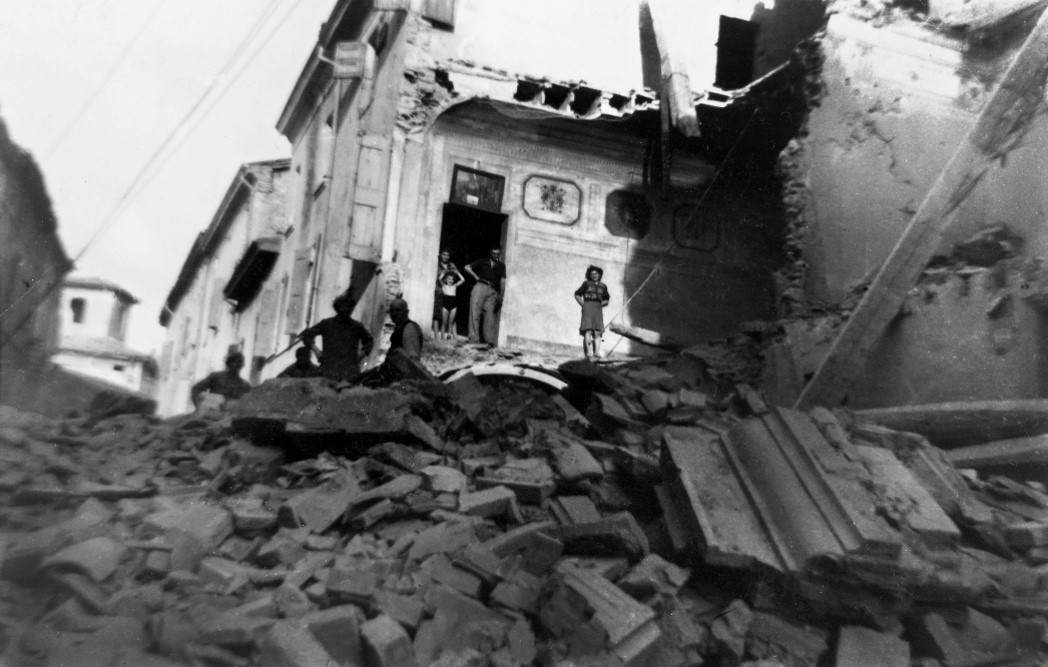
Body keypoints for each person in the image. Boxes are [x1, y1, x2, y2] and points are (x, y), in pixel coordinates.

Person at [300, 294, 374, 382]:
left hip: (349, 371)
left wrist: (361, 355)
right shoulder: (326, 324)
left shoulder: (356, 326)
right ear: (337, 307)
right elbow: (307, 334)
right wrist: (317, 351)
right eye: (344, 306)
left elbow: (369, 341)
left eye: (350, 307)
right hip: (329, 370)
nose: (347, 309)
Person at [465, 246, 506, 346]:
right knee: (475, 312)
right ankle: (474, 339)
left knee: (489, 315)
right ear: (490, 253)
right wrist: (476, 277)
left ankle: (489, 340)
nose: (496, 256)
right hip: (480, 286)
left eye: (498, 254)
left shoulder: (501, 266)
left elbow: (502, 281)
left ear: (500, 254)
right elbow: (467, 267)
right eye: (494, 253)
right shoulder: (483, 261)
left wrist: (501, 296)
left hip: (493, 290)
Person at [574, 265, 610, 361]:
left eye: (596, 274)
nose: (594, 276)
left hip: (597, 310)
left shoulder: (603, 286)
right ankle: (589, 353)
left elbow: (606, 300)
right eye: (592, 274)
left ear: (599, 274)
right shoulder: (586, 284)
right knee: (588, 330)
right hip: (588, 308)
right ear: (590, 275)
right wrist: (584, 304)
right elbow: (577, 294)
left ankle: (597, 352)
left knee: (598, 331)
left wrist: (599, 305)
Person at [433, 249, 460, 336]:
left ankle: (453, 335)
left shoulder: (451, 265)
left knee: (451, 315)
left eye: (447, 255)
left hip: (449, 293)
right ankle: (437, 335)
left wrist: (452, 271)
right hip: (439, 290)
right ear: (440, 255)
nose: (446, 257)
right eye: (444, 254)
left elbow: (457, 274)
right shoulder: (436, 264)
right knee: (437, 313)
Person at [437, 270, 465, 340]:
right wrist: (444, 272)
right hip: (445, 305)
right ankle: (442, 337)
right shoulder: (444, 285)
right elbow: (439, 279)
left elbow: (463, 280)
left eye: (452, 279)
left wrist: (458, 273)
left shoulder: (454, 286)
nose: (451, 280)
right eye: (449, 279)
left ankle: (449, 334)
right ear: (445, 280)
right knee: (444, 322)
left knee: (451, 322)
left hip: (453, 306)